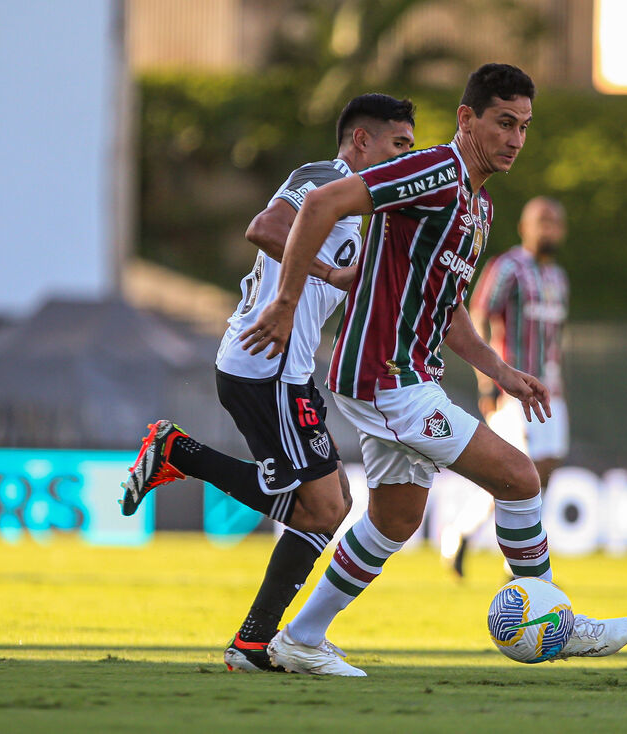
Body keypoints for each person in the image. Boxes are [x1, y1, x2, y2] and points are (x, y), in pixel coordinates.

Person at [241, 63, 627, 676]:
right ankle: (555, 618)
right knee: (519, 475)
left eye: (525, 127)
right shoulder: (433, 170)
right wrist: (288, 300)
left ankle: (298, 639)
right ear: (466, 118)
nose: (515, 139)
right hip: (385, 377)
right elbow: (322, 202)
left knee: (396, 519)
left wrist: (501, 371)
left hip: (400, 375)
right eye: (503, 123)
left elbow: (447, 309)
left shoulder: (477, 208)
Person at [119, 93, 416, 672]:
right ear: (361, 141)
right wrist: (328, 272)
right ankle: (253, 638)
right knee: (326, 507)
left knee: (326, 506)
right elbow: (266, 226)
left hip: (287, 370)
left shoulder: (365, 204)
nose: (405, 156)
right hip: (267, 365)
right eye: (398, 144)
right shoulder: (323, 178)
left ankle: (252, 641)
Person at [440, 196, 570, 578]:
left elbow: (556, 340)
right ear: (524, 227)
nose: (549, 228)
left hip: (551, 389)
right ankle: (518, 561)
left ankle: (463, 533)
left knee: (542, 470)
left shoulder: (558, 277)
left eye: (555, 222)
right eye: (541, 220)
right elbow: (478, 315)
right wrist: (490, 381)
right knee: (519, 471)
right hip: (513, 386)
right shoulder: (509, 267)